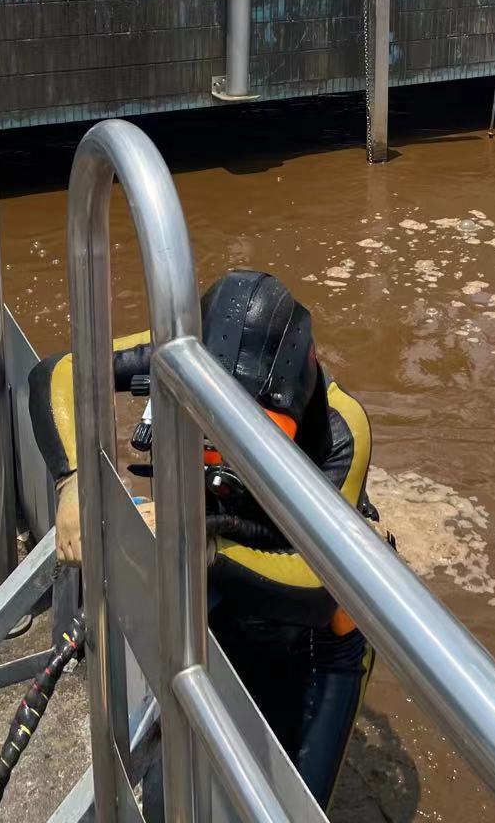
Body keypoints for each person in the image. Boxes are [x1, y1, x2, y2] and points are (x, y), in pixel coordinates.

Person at [29, 269, 378, 812]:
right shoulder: (178, 354)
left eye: (259, 434)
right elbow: (60, 371)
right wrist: (73, 482)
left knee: (287, 806)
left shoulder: (340, 428)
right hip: (221, 589)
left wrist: (201, 546)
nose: (235, 451)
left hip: (312, 638)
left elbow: (320, 588)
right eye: (216, 428)